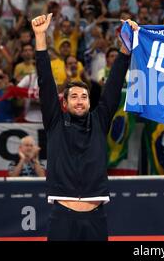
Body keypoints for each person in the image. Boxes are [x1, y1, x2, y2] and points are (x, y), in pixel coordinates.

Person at [32, 13, 132, 241]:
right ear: (64, 103)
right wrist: (40, 37)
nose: (79, 100)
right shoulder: (55, 121)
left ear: (89, 101)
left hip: (96, 218)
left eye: (84, 96)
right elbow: (45, 81)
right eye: (74, 96)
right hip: (63, 218)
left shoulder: (99, 120)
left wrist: (126, 49)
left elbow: (114, 84)